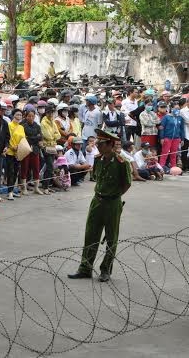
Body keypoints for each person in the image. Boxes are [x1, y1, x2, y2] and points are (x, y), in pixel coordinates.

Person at [68, 129, 131, 283]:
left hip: (112, 202)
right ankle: (85, 268)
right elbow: (96, 177)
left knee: (111, 238)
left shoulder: (122, 163)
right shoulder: (98, 159)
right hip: (97, 201)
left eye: (102, 144)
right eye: (98, 144)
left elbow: (126, 184)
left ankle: (105, 270)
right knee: (91, 235)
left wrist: (113, 195)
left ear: (110, 144)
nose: (99, 147)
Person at [21, 108, 43, 195]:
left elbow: (40, 137)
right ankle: (23, 188)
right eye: (29, 116)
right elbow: (25, 138)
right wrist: (35, 138)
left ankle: (36, 188)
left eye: (32, 116)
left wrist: (33, 138)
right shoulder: (22, 125)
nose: (31, 118)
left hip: (35, 150)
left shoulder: (37, 126)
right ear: (26, 116)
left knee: (36, 168)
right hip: (26, 149)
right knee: (24, 168)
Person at [40, 106, 61, 195]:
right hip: (46, 147)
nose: (51, 114)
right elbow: (48, 136)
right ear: (46, 113)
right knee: (49, 167)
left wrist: (53, 136)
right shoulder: (43, 122)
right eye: (49, 112)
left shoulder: (52, 121)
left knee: (50, 167)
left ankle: (47, 186)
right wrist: (54, 136)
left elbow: (58, 135)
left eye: (52, 113)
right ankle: (45, 187)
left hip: (53, 146)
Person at [6, 109, 26, 200]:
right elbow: (8, 137)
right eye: (17, 114)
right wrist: (12, 146)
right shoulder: (9, 125)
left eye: (21, 115)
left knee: (16, 171)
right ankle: (9, 192)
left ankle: (12, 190)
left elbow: (23, 139)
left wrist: (19, 147)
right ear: (13, 115)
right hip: (10, 152)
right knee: (10, 172)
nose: (19, 116)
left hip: (18, 152)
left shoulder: (21, 127)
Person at [159, 103, 185, 171]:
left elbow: (182, 129)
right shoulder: (166, 117)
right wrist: (162, 138)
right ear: (172, 109)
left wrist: (182, 139)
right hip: (167, 137)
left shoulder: (180, 118)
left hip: (176, 138)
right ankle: (161, 167)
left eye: (178, 109)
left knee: (174, 153)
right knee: (165, 152)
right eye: (176, 108)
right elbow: (162, 128)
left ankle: (173, 167)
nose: (177, 110)